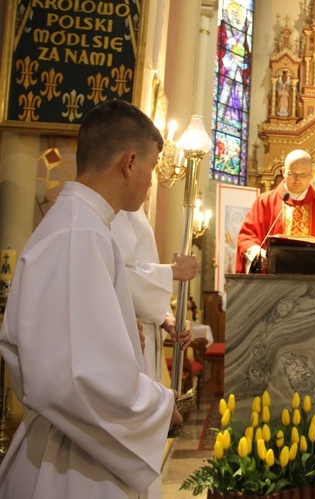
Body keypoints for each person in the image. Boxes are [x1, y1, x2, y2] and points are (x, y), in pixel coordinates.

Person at [0, 100, 182, 497]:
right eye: (151, 168)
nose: (151, 181)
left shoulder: (84, 226)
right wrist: (159, 408)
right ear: (129, 163)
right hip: (71, 465)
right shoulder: (77, 234)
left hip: (76, 445)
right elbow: (73, 377)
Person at [111, 208, 197, 498]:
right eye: (150, 168)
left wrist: (167, 319)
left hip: (147, 333)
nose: (151, 179)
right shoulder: (110, 213)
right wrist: (172, 272)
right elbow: (118, 276)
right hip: (124, 335)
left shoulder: (140, 215)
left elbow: (140, 277)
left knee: (147, 443)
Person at [235, 149, 315, 273]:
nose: (297, 180)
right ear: (283, 172)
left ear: (311, 175)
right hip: (272, 284)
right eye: (292, 174)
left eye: (303, 175)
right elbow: (246, 236)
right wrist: (259, 255)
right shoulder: (265, 202)